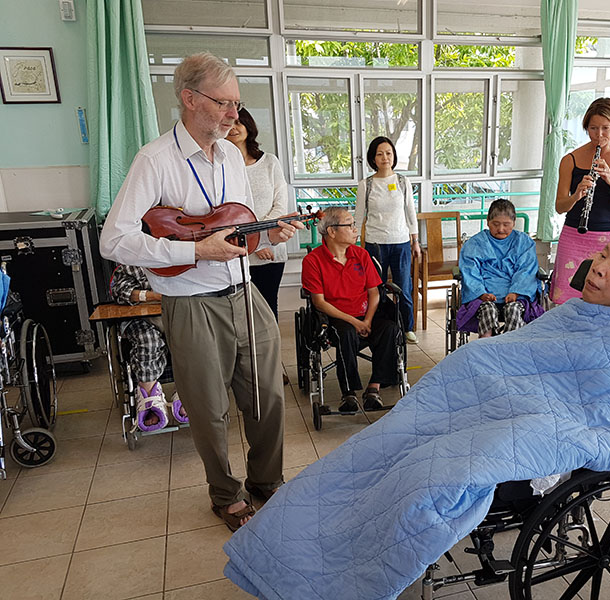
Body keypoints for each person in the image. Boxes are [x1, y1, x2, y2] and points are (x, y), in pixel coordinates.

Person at [224, 230, 610, 600]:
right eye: (602, 254)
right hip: (478, 400)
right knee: (387, 443)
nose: (598, 266)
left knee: (427, 477)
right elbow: (517, 353)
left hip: (534, 425)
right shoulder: (576, 312)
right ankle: (290, 541)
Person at [100, 52, 303, 532]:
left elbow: (237, 228)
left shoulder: (231, 155)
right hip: (190, 301)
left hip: (244, 291)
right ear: (189, 99)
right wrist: (193, 251)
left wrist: (267, 234)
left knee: (268, 398)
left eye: (237, 103)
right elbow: (114, 240)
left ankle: (266, 480)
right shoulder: (154, 160)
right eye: (223, 102)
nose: (235, 114)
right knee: (209, 410)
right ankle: (226, 494)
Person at [301, 207, 401, 413]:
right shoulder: (313, 261)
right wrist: (354, 322)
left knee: (389, 328)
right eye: (350, 225)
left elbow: (374, 292)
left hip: (366, 314)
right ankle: (348, 393)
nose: (355, 229)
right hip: (334, 317)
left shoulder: (361, 255)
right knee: (345, 333)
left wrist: (368, 320)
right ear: (331, 231)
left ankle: (374, 388)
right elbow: (319, 302)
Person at [551, 97, 610, 304]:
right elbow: (560, 207)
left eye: (605, 128)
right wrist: (576, 195)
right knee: (565, 297)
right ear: (586, 127)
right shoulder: (570, 159)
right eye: (593, 128)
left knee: (603, 297)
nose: (599, 135)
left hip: (608, 239)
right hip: (573, 236)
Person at [226, 107, 291, 385]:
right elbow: (225, 213)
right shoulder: (221, 166)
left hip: (271, 252)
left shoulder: (269, 162)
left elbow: (280, 205)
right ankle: (246, 371)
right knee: (240, 316)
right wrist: (253, 244)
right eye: (229, 123)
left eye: (239, 122)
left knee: (267, 313)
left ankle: (272, 368)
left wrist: (263, 237)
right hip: (237, 252)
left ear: (248, 126)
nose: (234, 128)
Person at [354, 136, 420, 344]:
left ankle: (407, 327)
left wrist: (415, 240)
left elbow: (410, 212)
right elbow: (358, 216)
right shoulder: (366, 184)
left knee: (404, 287)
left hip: (401, 242)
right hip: (375, 244)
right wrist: (353, 243)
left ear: (394, 156)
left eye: (389, 153)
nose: (385, 157)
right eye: (380, 154)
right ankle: (381, 327)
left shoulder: (402, 182)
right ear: (373, 158)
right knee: (376, 288)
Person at [110, 265, 187, 430]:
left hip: (177, 313)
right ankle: (149, 394)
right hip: (140, 318)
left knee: (189, 337)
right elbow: (120, 291)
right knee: (148, 341)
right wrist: (152, 295)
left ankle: (186, 391)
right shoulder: (132, 262)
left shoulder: (183, 256)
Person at [456, 199, 543, 338]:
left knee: (514, 310)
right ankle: (485, 343)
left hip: (516, 297)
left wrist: (515, 292)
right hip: (484, 296)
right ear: (488, 221)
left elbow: (526, 270)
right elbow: (470, 271)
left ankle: (510, 344)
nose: (501, 229)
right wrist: (481, 293)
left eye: (506, 224)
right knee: (487, 310)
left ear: (514, 223)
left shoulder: (523, 242)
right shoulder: (476, 243)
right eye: (496, 224)